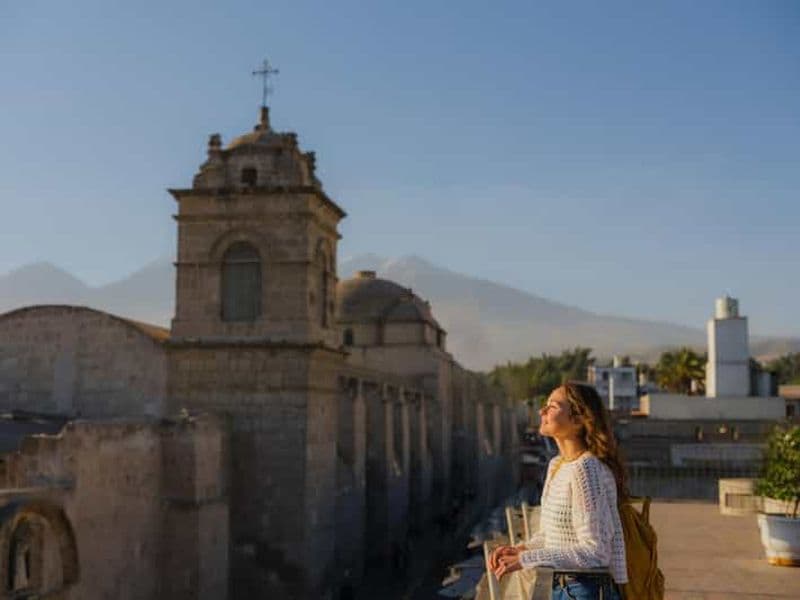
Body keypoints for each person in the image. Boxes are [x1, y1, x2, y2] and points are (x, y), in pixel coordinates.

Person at [490, 382, 628, 600]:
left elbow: (596, 552)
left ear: (578, 420)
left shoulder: (586, 469)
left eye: (553, 406)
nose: (541, 411)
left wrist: (528, 559)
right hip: (564, 588)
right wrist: (521, 550)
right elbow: (551, 536)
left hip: (586, 591)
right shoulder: (557, 465)